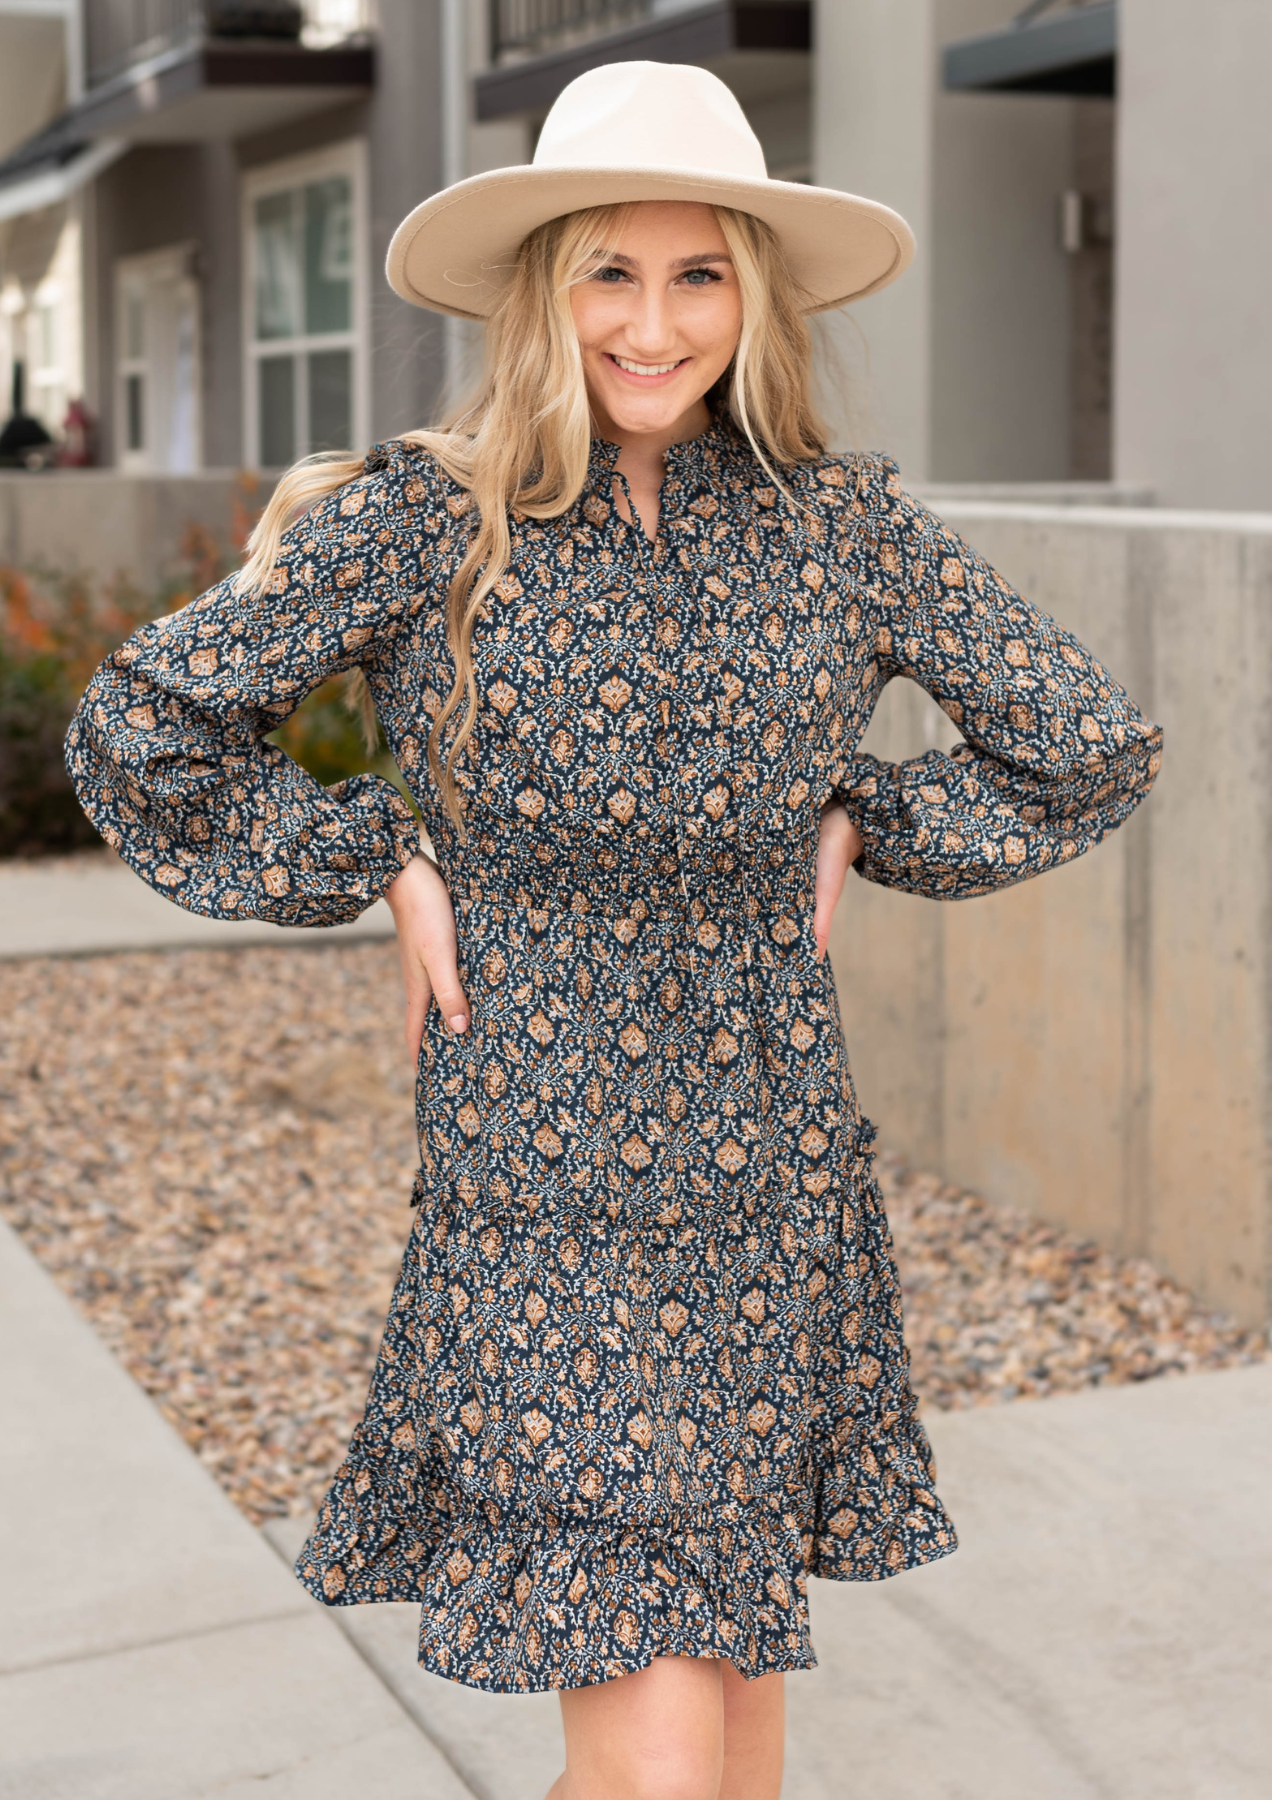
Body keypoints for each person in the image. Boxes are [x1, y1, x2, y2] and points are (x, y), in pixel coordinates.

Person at [66, 60, 1162, 1800]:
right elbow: (140, 729)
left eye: (698, 273)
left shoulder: (843, 523)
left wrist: (867, 815)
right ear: (540, 287)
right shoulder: (425, 517)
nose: (652, 324)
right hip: (541, 1174)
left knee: (727, 1753)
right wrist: (375, 852)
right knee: (658, 1764)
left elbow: (1082, 746)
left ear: (753, 291)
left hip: (766, 1161)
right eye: (608, 271)